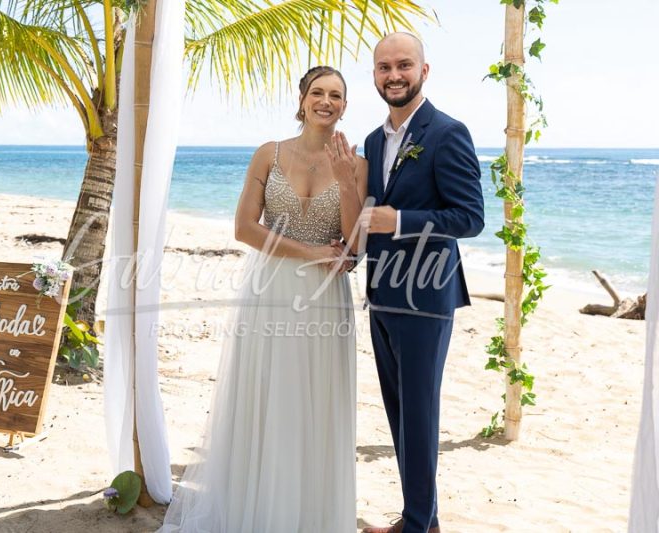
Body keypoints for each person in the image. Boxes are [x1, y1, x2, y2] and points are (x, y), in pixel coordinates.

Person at [158, 66, 368, 532]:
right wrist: (311, 250)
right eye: (318, 92)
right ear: (302, 97)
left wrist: (347, 181)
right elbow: (244, 228)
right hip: (270, 290)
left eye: (336, 95)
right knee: (266, 398)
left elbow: (355, 248)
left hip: (324, 299)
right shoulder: (267, 154)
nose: (326, 101)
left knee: (314, 406)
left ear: (345, 106)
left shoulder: (357, 162)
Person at [358, 33, 485, 533]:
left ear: (424, 71)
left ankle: (416, 525)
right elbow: (370, 214)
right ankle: (421, 520)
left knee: (419, 411)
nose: (394, 75)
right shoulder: (371, 141)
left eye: (404, 65)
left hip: (427, 298)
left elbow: (470, 218)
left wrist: (402, 221)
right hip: (382, 294)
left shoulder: (448, 133)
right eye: (385, 67)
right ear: (374, 76)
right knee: (397, 411)